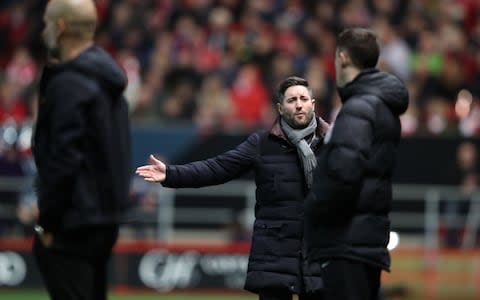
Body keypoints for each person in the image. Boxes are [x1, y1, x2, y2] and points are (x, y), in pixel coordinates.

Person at [136, 76, 329, 300]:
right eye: (291, 99)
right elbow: (217, 168)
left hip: (318, 249)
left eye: (303, 98)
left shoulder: (332, 140)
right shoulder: (261, 144)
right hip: (274, 251)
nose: (298, 104)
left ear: (313, 104)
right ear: (279, 107)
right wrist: (170, 173)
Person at [32, 0, 131, 299]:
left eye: (47, 22)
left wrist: (48, 221)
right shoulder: (107, 79)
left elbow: (64, 158)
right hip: (103, 219)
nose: (43, 30)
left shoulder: (70, 84)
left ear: (59, 27)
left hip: (72, 222)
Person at [304, 28, 409, 300]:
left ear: (343, 58)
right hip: (362, 241)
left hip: (344, 243)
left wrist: (312, 209)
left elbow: (343, 174)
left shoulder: (359, 107)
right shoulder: (379, 105)